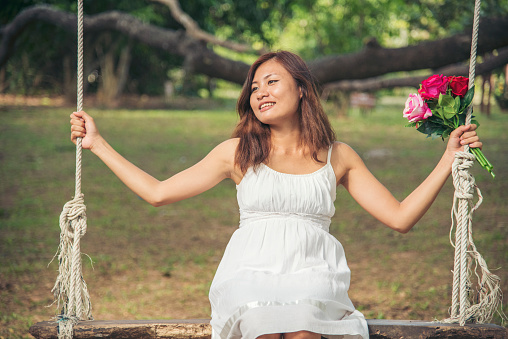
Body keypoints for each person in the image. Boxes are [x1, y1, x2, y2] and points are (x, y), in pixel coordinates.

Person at [70, 51, 482, 339]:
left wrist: (448, 157)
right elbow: (158, 193)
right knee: (264, 324)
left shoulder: (338, 157)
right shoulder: (237, 152)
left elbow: (400, 217)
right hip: (248, 274)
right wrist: (99, 144)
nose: (260, 92)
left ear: (302, 89)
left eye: (272, 82)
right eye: (254, 87)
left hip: (313, 274)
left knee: (304, 323)